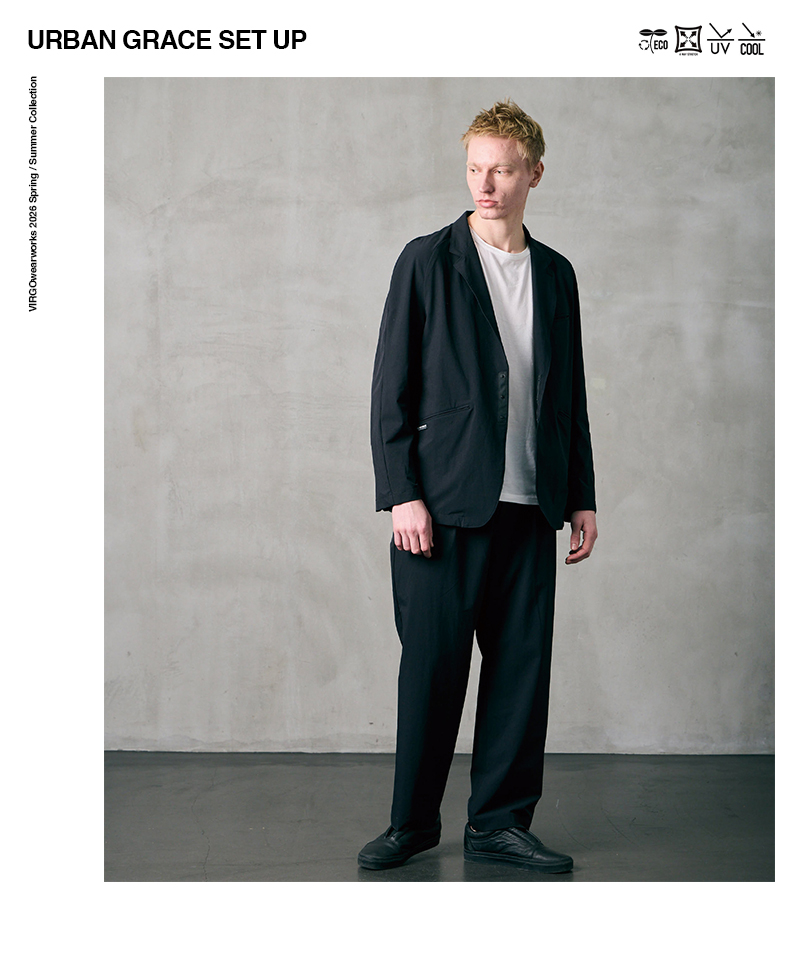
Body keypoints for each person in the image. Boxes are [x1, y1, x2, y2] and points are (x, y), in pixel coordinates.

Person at [360, 100, 597, 873]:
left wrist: (582, 493)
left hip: (532, 505)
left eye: (501, 170)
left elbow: (569, 395)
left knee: (520, 675)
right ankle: (411, 823)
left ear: (534, 173)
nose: (485, 185)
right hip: (442, 507)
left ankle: (498, 823)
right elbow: (390, 388)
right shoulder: (427, 261)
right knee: (432, 672)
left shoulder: (555, 275)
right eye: (474, 169)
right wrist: (402, 493)